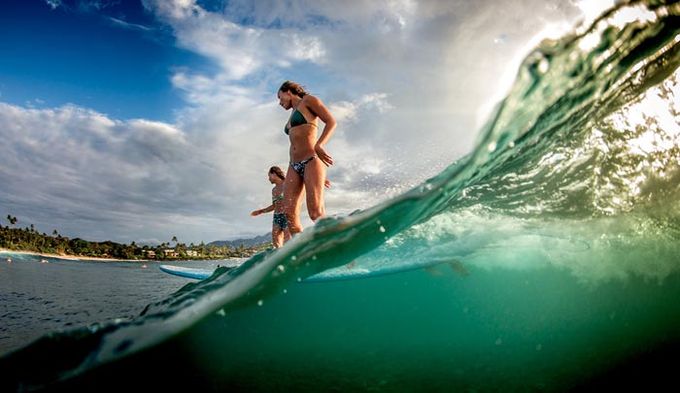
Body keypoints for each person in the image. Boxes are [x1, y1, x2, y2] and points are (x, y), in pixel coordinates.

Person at [277, 80, 337, 235]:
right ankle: (306, 254)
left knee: (315, 213)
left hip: (311, 159)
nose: (279, 102)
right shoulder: (292, 114)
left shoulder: (309, 101)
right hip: (293, 165)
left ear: (288, 91)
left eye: (280, 97)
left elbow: (331, 121)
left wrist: (319, 145)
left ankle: (337, 245)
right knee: (289, 214)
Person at [250, 166, 291, 248]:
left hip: (287, 215)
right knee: (276, 242)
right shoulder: (274, 190)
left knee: (288, 242)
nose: (269, 179)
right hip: (277, 217)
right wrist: (261, 211)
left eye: (269, 176)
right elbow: (274, 206)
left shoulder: (288, 183)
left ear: (274, 174)